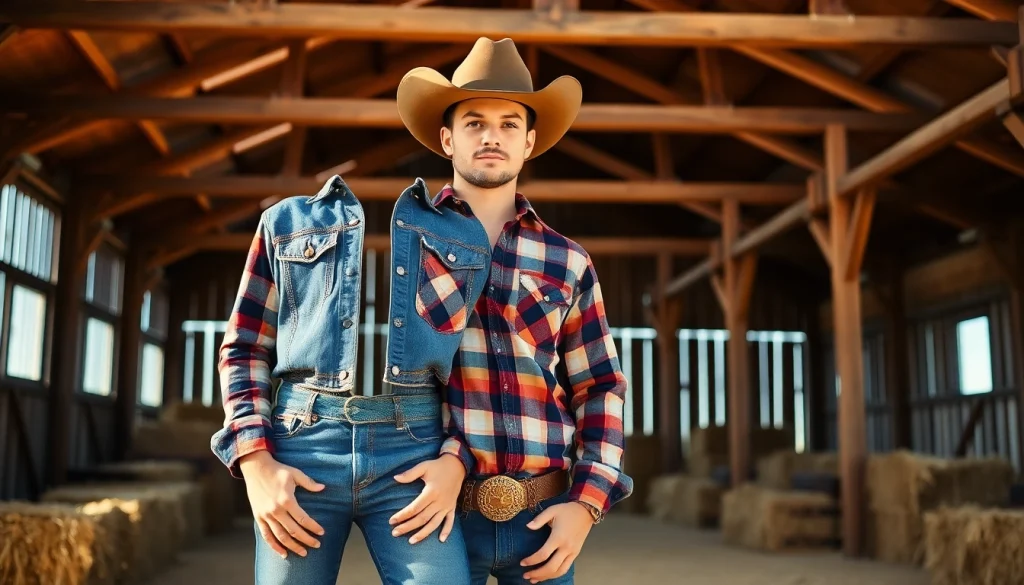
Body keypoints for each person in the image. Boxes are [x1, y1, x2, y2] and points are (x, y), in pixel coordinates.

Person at [385, 37, 634, 584]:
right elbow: (401, 382)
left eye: (508, 124)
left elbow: (600, 388)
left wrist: (586, 505)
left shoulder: (567, 259)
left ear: (530, 143)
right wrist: (448, 454)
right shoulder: (410, 248)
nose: (492, 135)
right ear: (447, 139)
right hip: (440, 514)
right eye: (474, 122)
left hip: (543, 514)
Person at [211, 170, 483, 580]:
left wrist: (457, 457)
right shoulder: (284, 222)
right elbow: (244, 348)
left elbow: (473, 366)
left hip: (414, 453)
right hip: (302, 446)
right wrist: (255, 463)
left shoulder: (463, 233)